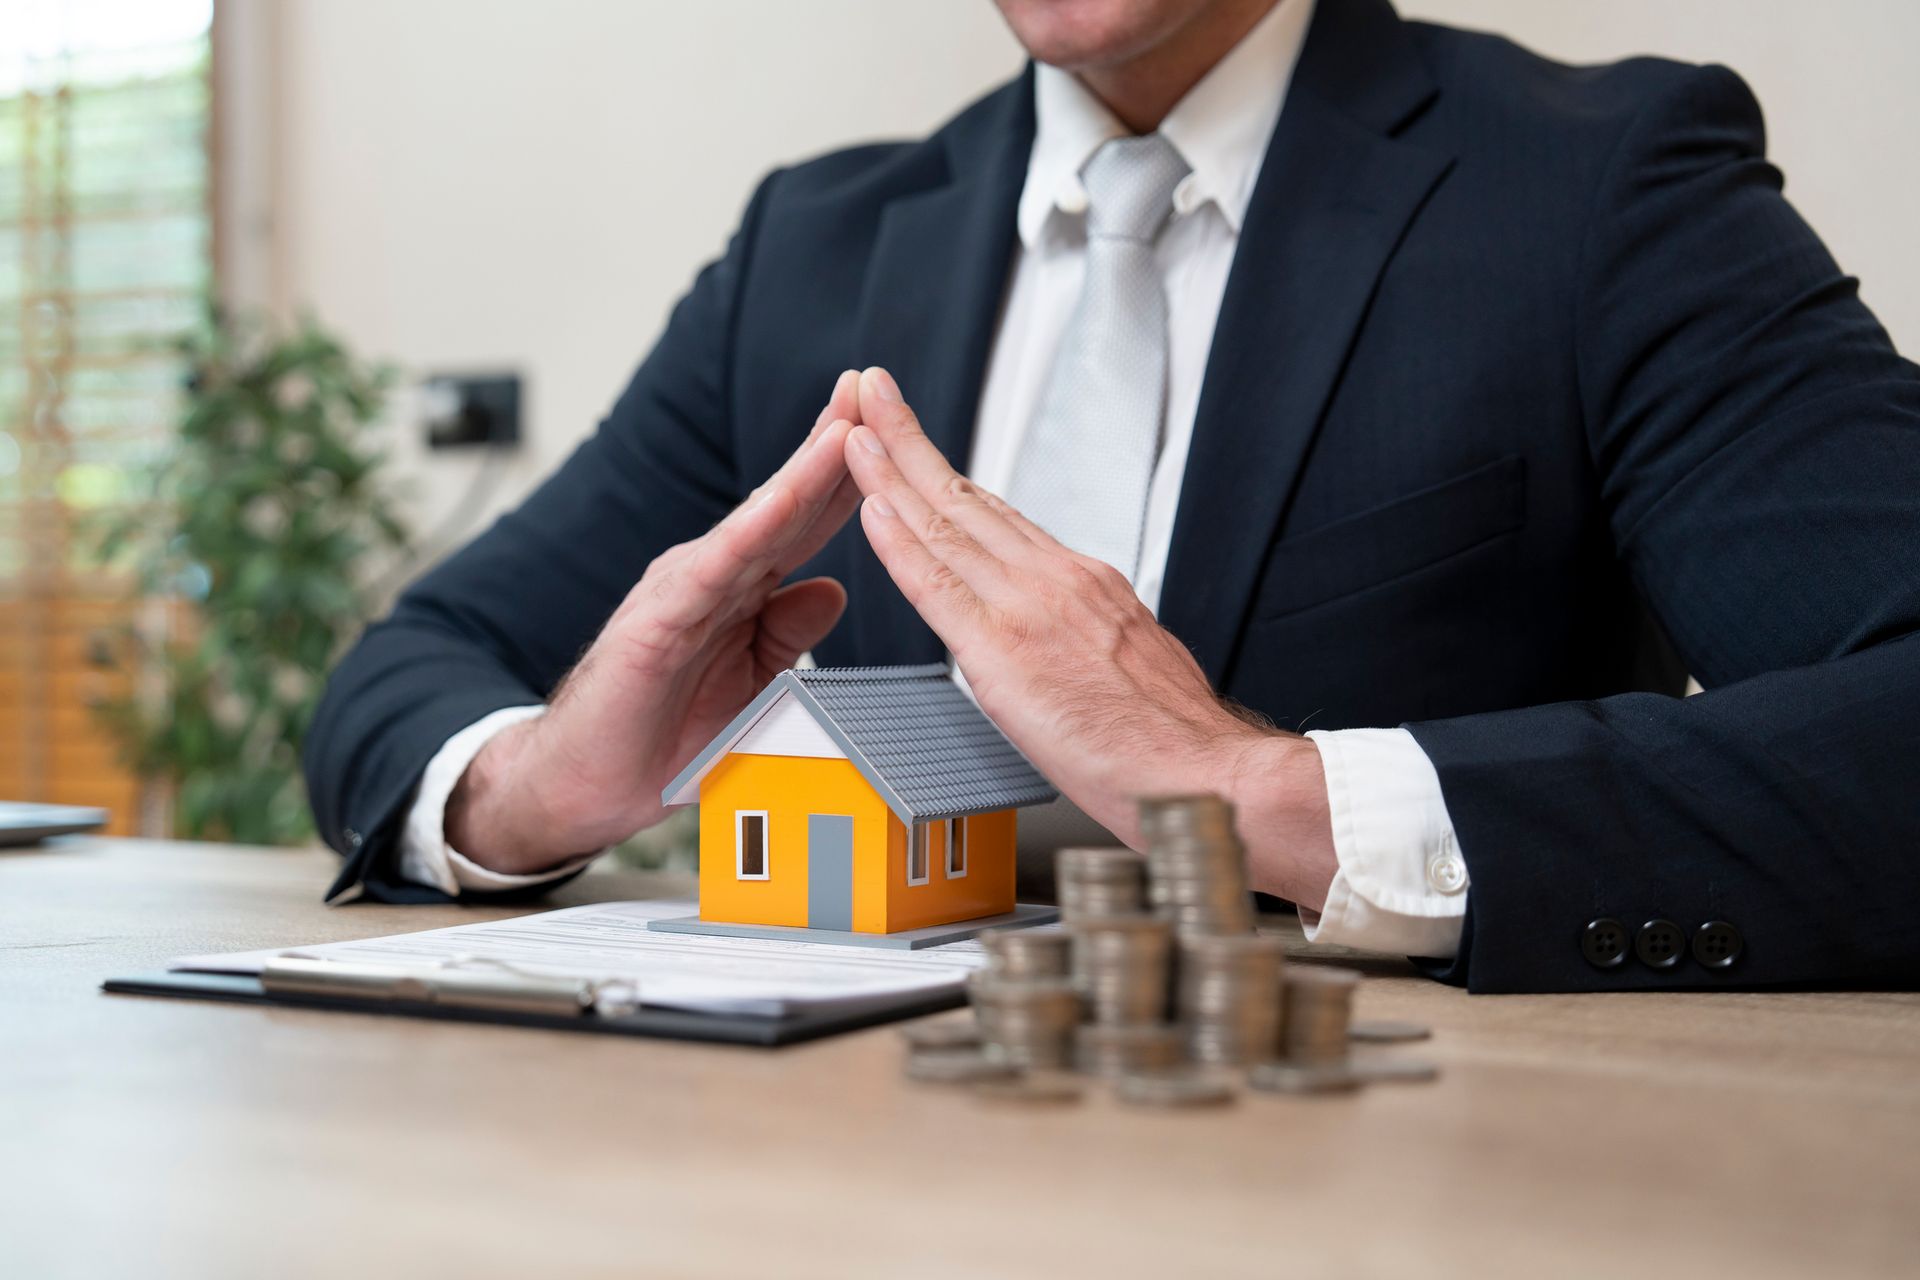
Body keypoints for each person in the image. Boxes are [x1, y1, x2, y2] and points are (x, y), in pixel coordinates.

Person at [304, 0, 1920, 992]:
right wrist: (539, 786)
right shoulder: (811, 249)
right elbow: (408, 668)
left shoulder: (1599, 184)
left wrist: (1259, 798)